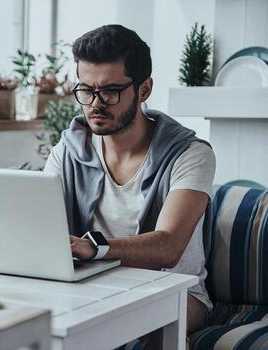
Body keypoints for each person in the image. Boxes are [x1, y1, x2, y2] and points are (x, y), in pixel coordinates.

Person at [44, 24, 215, 346]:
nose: (95, 103)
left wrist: (94, 248)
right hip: (89, 284)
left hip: (174, 291)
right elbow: (38, 226)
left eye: (110, 91)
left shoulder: (191, 154)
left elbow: (169, 246)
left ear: (144, 89)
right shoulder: (67, 151)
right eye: (85, 90)